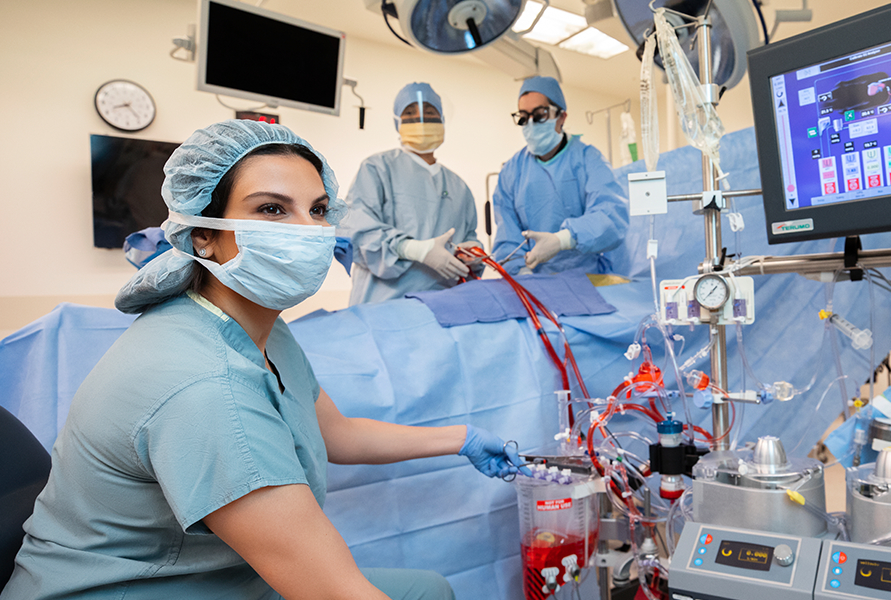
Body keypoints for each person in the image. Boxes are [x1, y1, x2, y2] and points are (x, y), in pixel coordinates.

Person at [0, 120, 522, 600]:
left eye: (318, 210)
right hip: (131, 587)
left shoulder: (254, 327)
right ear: (202, 234)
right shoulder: (202, 384)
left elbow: (335, 435)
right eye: (272, 209)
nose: (309, 231)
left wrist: (461, 437)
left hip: (212, 572)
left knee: (426, 589)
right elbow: (335, 593)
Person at [340, 82, 482, 304]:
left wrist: (474, 253)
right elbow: (352, 229)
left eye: (429, 112)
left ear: (443, 120)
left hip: (445, 307)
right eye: (410, 113)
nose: (421, 119)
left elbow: (469, 236)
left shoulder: (459, 187)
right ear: (397, 122)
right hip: (383, 308)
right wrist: (411, 248)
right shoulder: (377, 169)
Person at [491, 76, 629, 276]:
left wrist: (562, 240)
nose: (530, 124)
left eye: (539, 115)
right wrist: (521, 273)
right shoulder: (511, 171)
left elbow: (610, 217)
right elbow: (508, 236)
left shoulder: (588, 159)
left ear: (562, 117)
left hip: (587, 279)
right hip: (533, 282)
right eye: (523, 116)